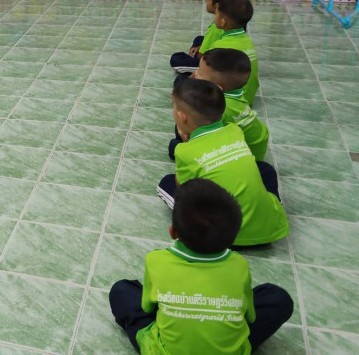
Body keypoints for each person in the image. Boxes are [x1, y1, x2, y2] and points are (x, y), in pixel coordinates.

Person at [110, 178, 294, 354]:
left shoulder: (156, 260)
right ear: (233, 236)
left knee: (122, 290)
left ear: (173, 231)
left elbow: (148, 308)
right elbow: (250, 316)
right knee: (278, 298)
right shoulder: (239, 264)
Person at [158, 79, 289, 247]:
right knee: (264, 169)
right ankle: (270, 209)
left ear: (182, 117)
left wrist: (186, 144)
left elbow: (184, 191)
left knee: (166, 183)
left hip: (221, 235)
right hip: (268, 229)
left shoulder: (184, 151)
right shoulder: (235, 130)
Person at [195, 48, 269, 161]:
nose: (195, 73)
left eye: (200, 73)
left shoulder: (218, 108)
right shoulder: (236, 94)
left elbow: (204, 138)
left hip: (243, 156)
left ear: (217, 87)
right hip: (257, 143)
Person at [170, 0, 241, 75]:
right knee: (199, 39)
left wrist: (197, 54)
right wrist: (200, 47)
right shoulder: (230, 21)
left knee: (176, 59)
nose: (207, 0)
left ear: (216, 5)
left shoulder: (217, 27)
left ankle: (198, 71)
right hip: (221, 55)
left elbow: (202, 56)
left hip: (212, 64)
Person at [208, 0, 260, 104]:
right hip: (248, 97)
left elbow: (205, 75)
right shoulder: (247, 41)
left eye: (216, 13)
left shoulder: (220, 45)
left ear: (223, 22)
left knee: (182, 82)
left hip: (227, 101)